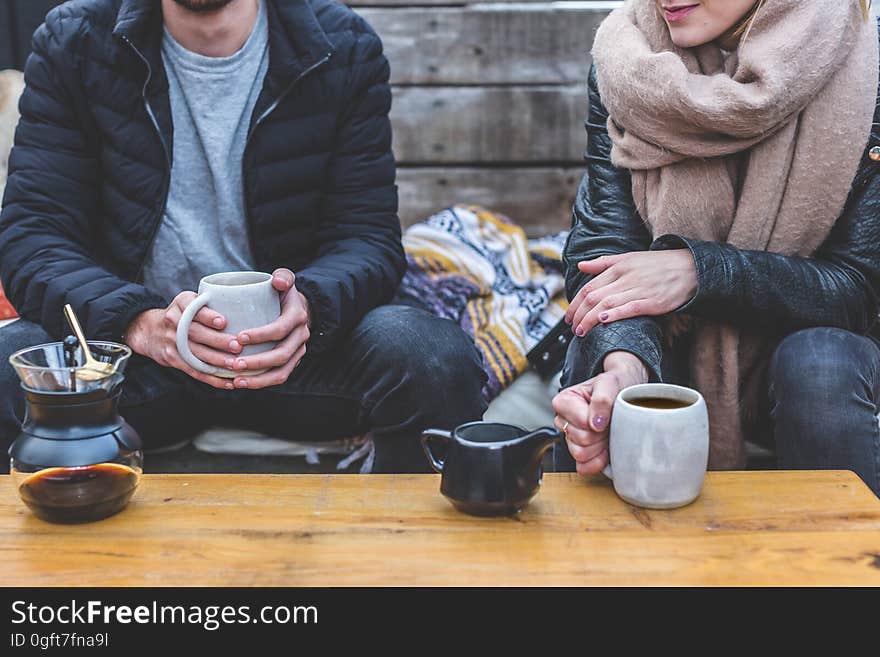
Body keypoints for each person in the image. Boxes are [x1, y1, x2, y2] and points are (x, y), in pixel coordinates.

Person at [0, 0, 487, 473]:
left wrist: (310, 310)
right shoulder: (75, 40)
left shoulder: (342, 44)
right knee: (8, 359)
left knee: (432, 356)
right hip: (134, 364)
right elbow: (33, 238)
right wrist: (139, 324)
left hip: (293, 360)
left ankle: (404, 551)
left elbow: (368, 238)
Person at [552, 0, 880, 495]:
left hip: (801, 361)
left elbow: (858, 288)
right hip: (674, 349)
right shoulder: (628, 58)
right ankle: (590, 569)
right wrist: (624, 364)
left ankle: (847, 568)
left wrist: (700, 273)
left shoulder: (866, 63)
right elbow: (605, 249)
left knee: (821, 365)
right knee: (595, 351)